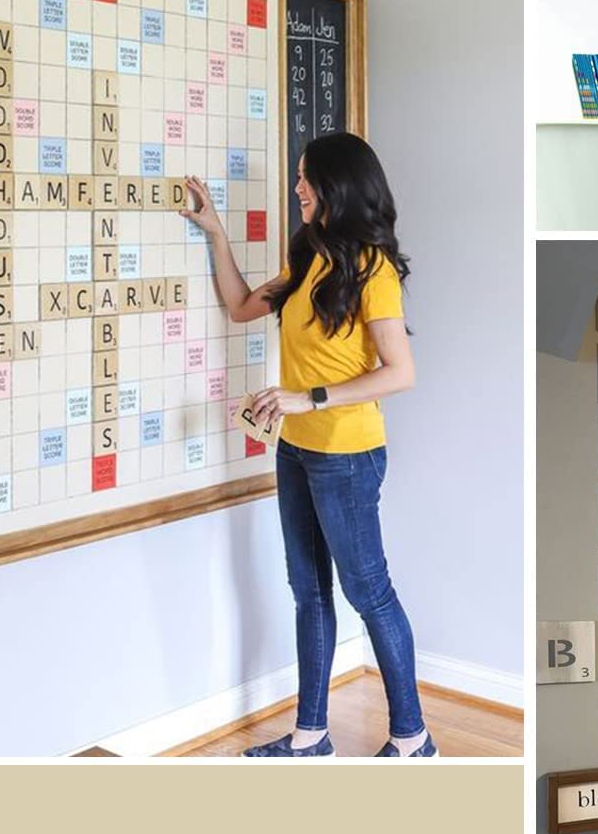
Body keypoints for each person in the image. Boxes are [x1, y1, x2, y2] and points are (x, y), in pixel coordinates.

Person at [179, 132, 436, 758]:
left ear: (338, 186)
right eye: (299, 178)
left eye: (307, 179)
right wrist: (215, 232)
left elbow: (400, 372)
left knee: (368, 591)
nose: (298, 188)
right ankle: (310, 734)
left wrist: (308, 396)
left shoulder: (373, 269)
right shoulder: (309, 257)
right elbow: (240, 306)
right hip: (296, 449)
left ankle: (413, 739)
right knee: (308, 590)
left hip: (347, 454)